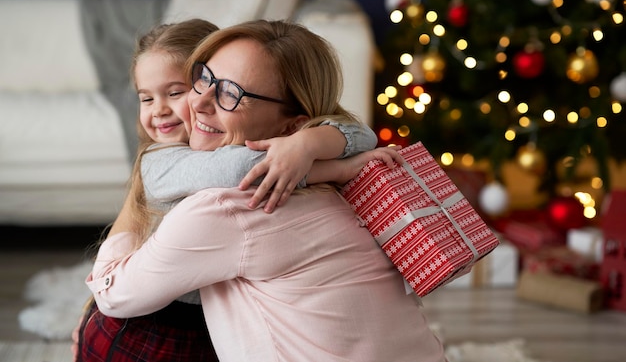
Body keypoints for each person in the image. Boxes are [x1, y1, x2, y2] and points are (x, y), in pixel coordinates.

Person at [86, 19, 446, 362]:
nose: (196, 103)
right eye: (203, 78)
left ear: (294, 124)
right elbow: (355, 135)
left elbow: (113, 295)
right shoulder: (344, 185)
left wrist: (306, 151)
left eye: (230, 92)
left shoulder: (225, 208)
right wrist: (322, 158)